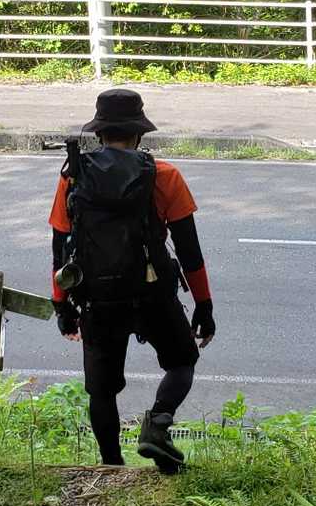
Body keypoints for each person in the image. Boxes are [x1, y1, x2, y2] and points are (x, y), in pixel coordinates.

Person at [48, 88, 216, 472]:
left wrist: (61, 304)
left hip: (97, 297)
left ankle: (111, 466)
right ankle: (157, 424)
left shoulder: (73, 177)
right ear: (139, 133)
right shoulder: (164, 175)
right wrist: (203, 305)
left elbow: (60, 247)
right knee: (182, 361)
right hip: (153, 292)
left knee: (101, 390)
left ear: (98, 133)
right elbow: (189, 251)